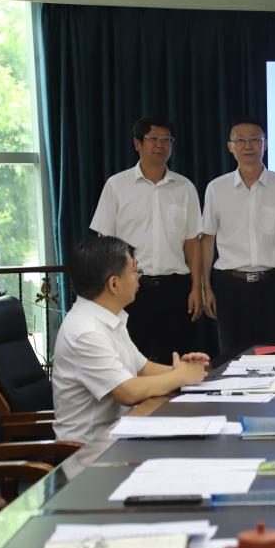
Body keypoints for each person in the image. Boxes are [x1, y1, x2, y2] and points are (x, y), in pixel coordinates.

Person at [52, 236, 209, 442]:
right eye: (135, 270)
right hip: (89, 450)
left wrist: (185, 370)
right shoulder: (86, 332)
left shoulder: (110, 317)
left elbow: (142, 367)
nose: (138, 278)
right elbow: (127, 392)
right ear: (114, 284)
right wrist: (180, 377)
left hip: (121, 433)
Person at [89, 116, 202, 364]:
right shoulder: (117, 185)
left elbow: (192, 242)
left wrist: (197, 287)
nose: (160, 145)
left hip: (175, 288)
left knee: (176, 362)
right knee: (130, 362)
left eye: (166, 139)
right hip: (131, 288)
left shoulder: (184, 187)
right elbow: (104, 241)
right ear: (137, 144)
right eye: (153, 139)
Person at [200, 118, 275, 356]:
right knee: (232, 356)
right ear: (230, 146)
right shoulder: (216, 188)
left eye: (254, 140)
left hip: (274, 285)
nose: (248, 146)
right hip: (231, 286)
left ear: (265, 144)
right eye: (240, 140)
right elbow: (207, 239)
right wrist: (205, 286)